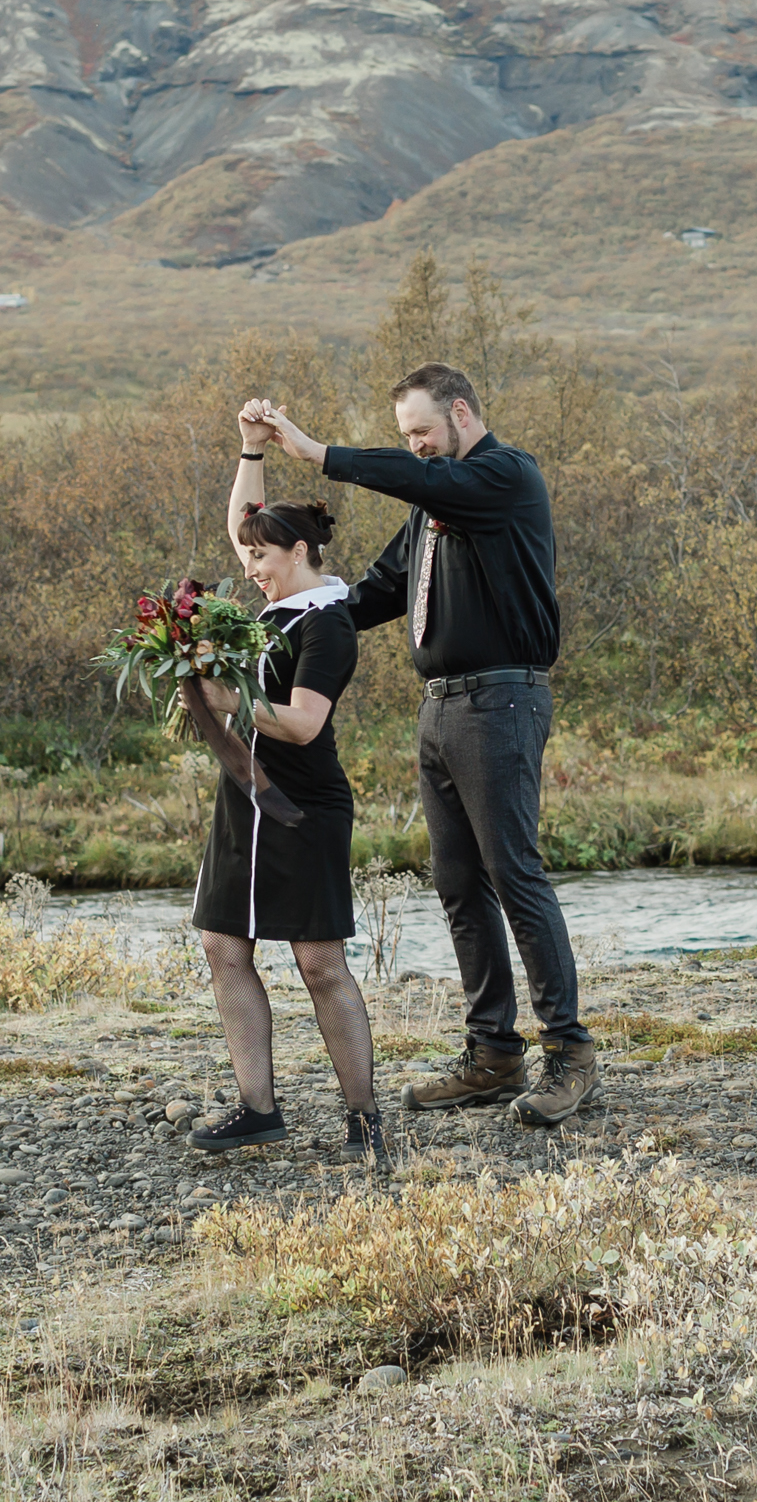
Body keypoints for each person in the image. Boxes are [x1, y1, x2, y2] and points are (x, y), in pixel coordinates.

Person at [250, 363, 596, 1127]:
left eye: (421, 434)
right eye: (406, 437)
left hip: (502, 699)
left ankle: (568, 1054)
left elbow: (423, 483)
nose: (415, 449)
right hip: (441, 709)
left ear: (462, 413)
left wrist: (318, 453)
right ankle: (493, 1055)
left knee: (514, 875)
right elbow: (372, 594)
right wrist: (291, 590)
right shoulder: (430, 510)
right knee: (457, 883)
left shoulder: (505, 477)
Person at [185, 399, 388, 1169]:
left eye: (263, 559)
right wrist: (249, 449)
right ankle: (258, 1109)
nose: (250, 569)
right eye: (248, 559)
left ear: (299, 552)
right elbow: (247, 522)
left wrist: (230, 701)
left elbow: (303, 723)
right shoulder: (271, 608)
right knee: (223, 944)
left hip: (301, 806)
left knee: (317, 962)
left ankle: (365, 1121)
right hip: (246, 801)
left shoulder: (326, 622)